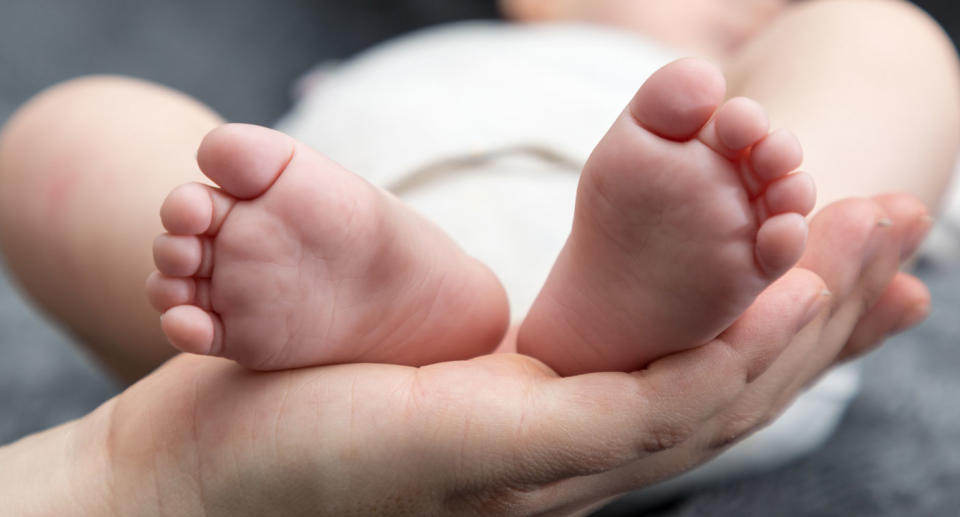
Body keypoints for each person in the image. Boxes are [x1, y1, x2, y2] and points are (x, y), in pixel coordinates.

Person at [0, 0, 955, 515]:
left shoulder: (754, 102)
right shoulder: (407, 71)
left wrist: (836, 43)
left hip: (733, 323)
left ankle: (645, 302)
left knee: (889, 36)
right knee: (63, 140)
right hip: (353, 245)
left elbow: (906, 187)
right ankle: (422, 300)